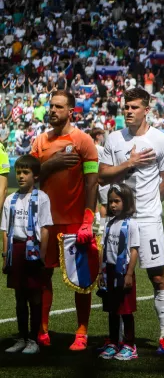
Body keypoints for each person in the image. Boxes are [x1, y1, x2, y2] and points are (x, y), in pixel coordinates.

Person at [98, 88, 164, 354]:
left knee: (157, 277)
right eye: (126, 107)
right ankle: (118, 338)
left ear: (146, 109)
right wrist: (128, 163)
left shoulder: (160, 140)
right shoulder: (114, 139)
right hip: (119, 222)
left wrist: (148, 206)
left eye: (134, 107)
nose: (128, 111)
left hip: (148, 220)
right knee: (117, 276)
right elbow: (103, 176)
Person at [31, 90, 100, 351]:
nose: (53, 111)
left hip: (74, 222)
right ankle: (42, 328)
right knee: (42, 275)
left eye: (59, 107)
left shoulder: (84, 141)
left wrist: (88, 218)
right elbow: (31, 175)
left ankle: (81, 332)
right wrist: (52, 161)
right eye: (51, 106)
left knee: (81, 279)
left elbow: (92, 182)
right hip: (46, 222)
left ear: (71, 111)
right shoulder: (40, 141)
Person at [1, 156, 52, 355]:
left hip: (34, 250)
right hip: (17, 250)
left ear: (35, 175)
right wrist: (6, 255)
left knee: (35, 297)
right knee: (19, 296)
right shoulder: (10, 199)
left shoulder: (42, 198)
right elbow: (5, 230)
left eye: (25, 172)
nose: (21, 176)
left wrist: (43, 256)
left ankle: (34, 339)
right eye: (18, 172)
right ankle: (21, 338)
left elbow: (45, 229)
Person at [96, 184, 140, 361]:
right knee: (112, 309)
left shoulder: (131, 225)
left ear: (127, 202)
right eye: (111, 201)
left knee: (126, 310)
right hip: (110, 271)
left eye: (117, 201)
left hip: (123, 272)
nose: (113, 205)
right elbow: (104, 248)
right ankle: (113, 342)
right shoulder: (109, 223)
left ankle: (130, 345)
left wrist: (129, 273)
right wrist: (100, 272)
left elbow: (134, 250)